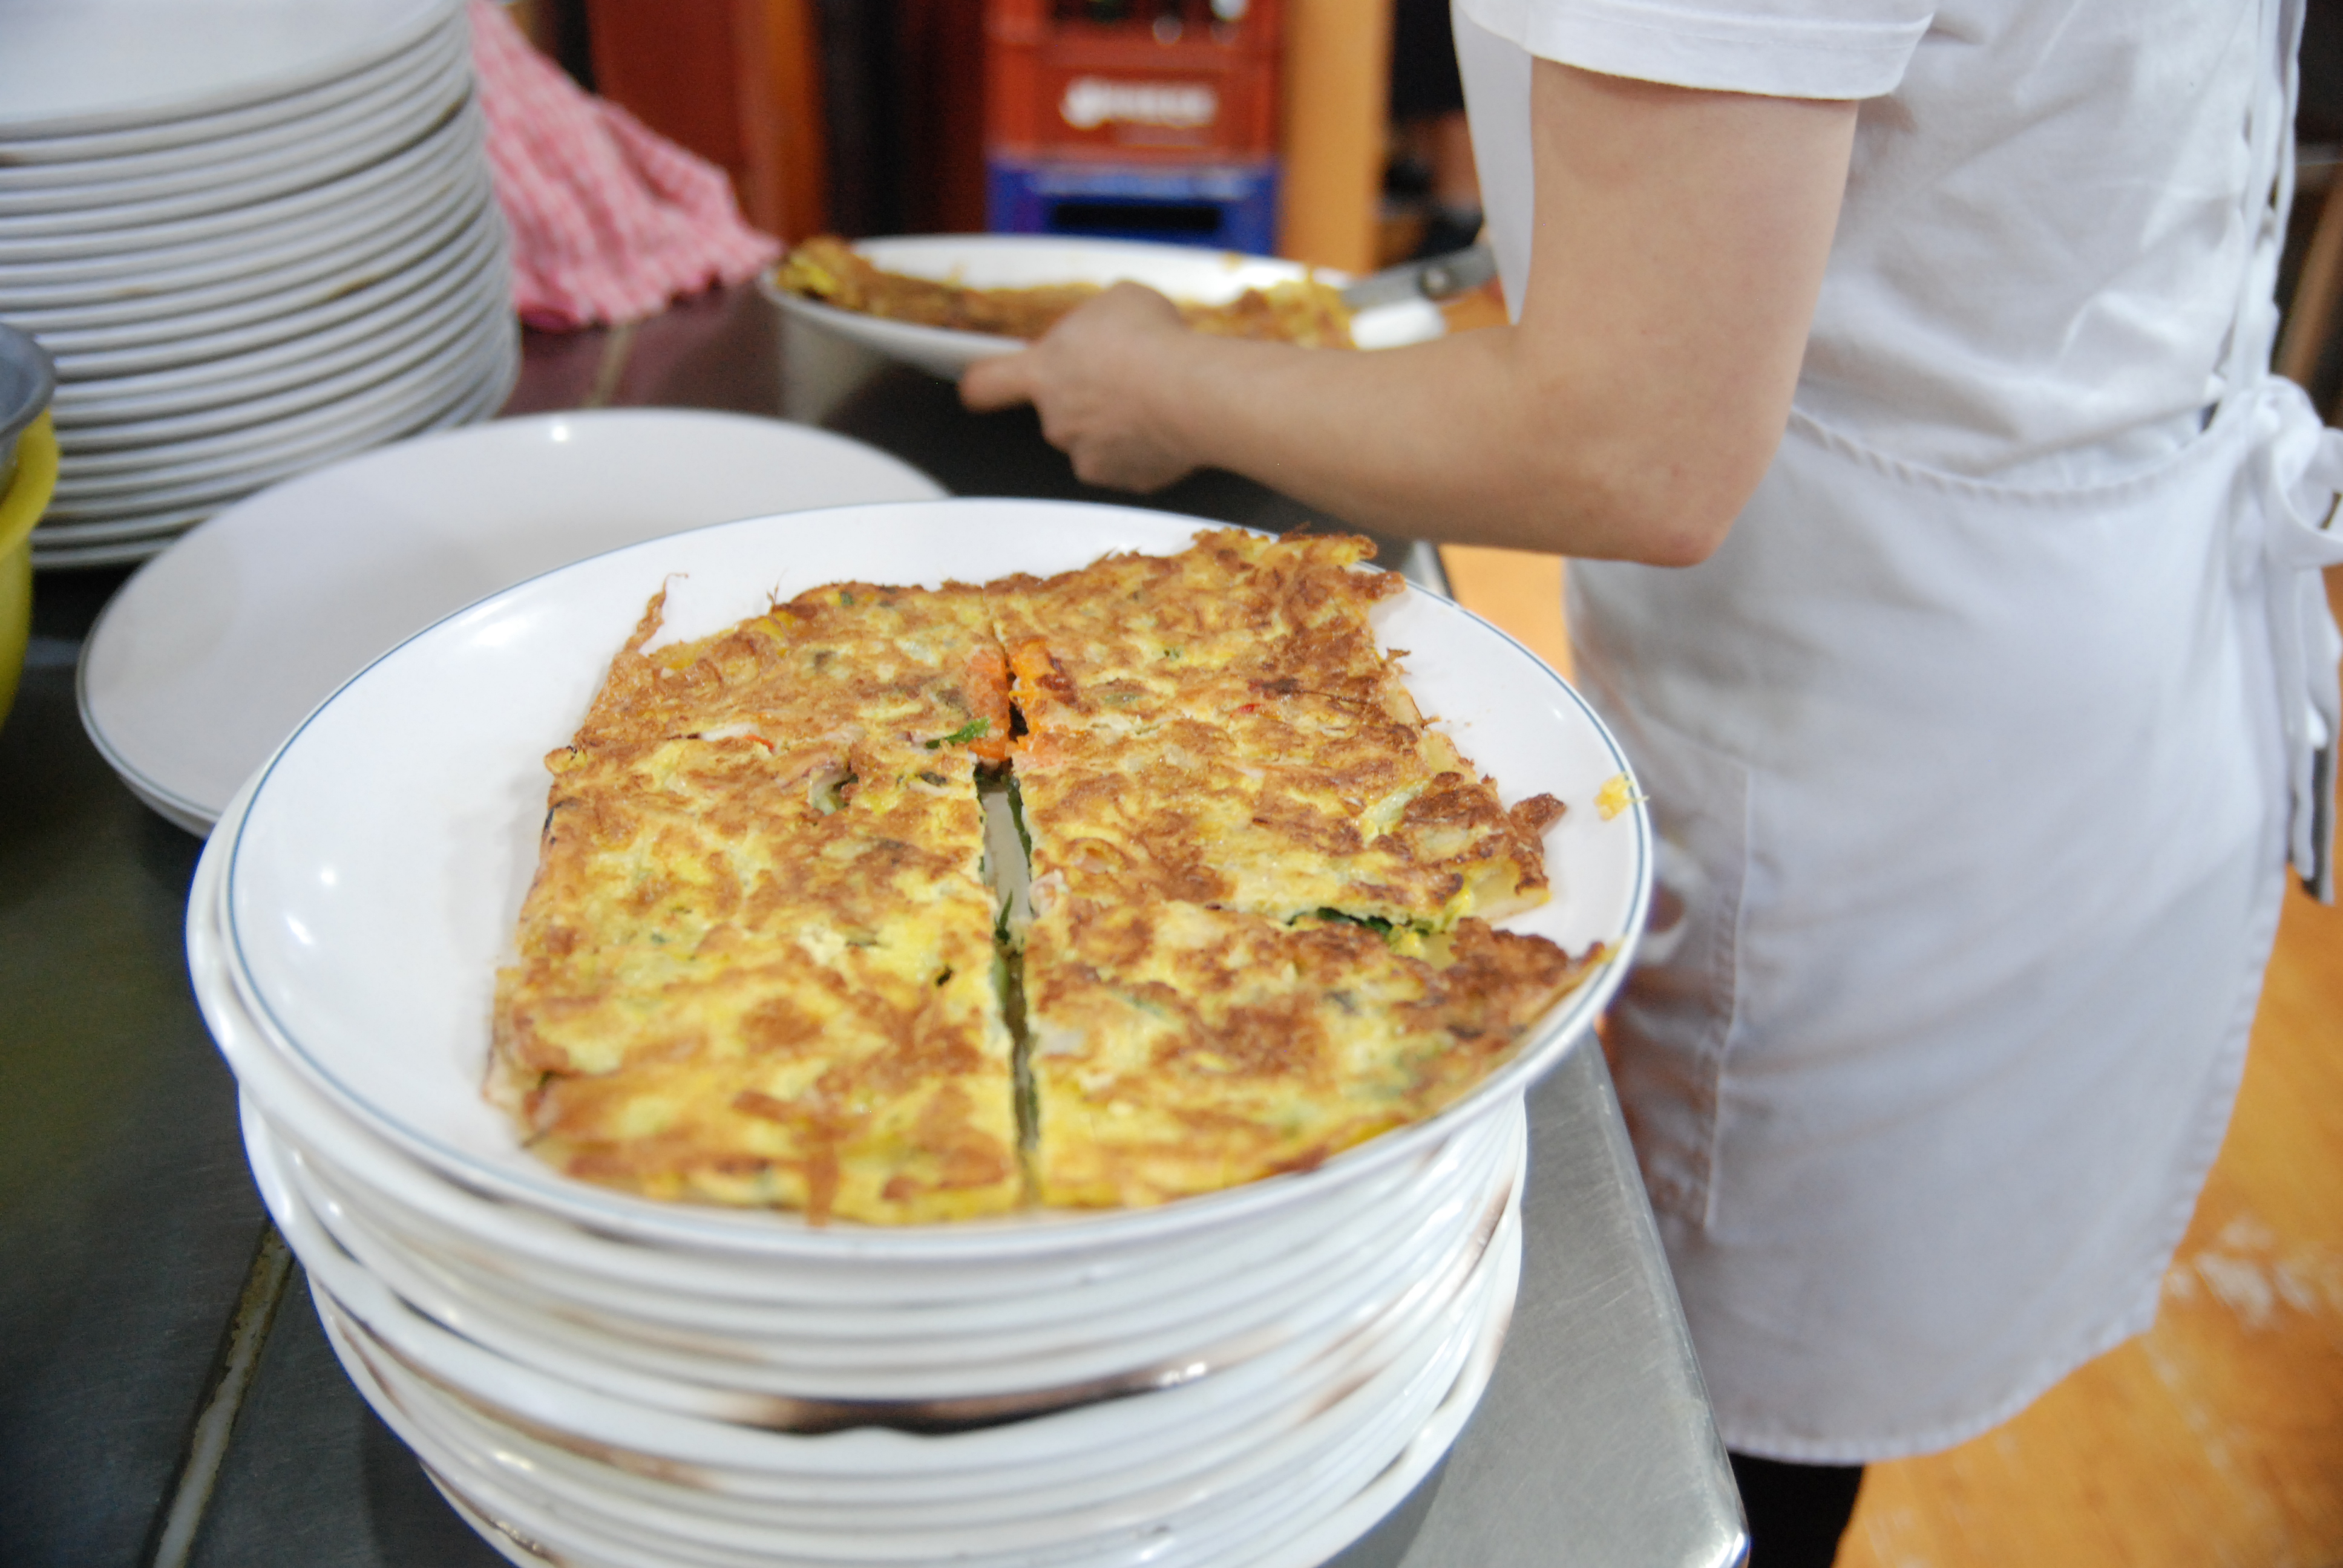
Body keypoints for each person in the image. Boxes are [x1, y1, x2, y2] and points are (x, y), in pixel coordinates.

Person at [963, 0, 2343, 1562]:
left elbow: (1636, 445)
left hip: (1886, 737)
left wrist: (1163, 391)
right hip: (2044, 644)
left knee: (1729, 1443)